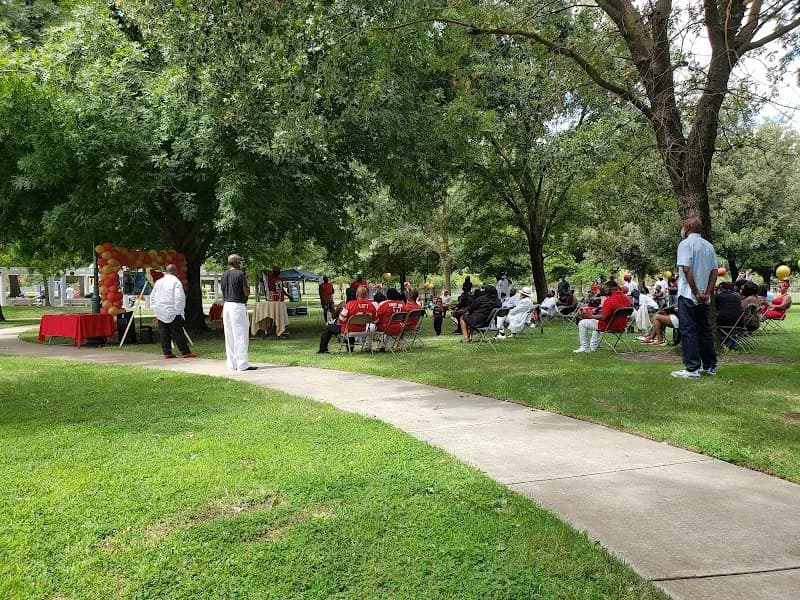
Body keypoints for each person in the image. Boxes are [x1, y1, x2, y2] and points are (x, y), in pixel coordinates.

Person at [671, 217, 718, 378]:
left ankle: (692, 368)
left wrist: (696, 292)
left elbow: (686, 269)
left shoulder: (685, 245)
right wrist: (706, 293)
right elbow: (714, 272)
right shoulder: (709, 246)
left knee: (688, 330)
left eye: (683, 226)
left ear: (689, 227)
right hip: (705, 295)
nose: (682, 229)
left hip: (688, 294)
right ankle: (710, 365)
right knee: (704, 330)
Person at [150, 264, 197, 359]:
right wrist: (179, 310)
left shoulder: (159, 282)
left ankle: (167, 352)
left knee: (164, 332)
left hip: (160, 310)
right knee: (178, 332)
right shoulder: (176, 282)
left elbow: (152, 296)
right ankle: (185, 351)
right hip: (173, 310)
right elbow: (179, 297)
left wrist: (156, 308)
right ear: (175, 271)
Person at [574, 279, 631, 353]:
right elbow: (630, 311)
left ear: (612, 289)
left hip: (610, 325)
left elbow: (604, 317)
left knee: (582, 323)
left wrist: (591, 316)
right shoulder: (626, 298)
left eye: (606, 288)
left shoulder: (609, 300)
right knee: (596, 324)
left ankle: (585, 347)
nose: (604, 291)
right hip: (622, 326)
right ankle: (593, 347)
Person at [221, 254, 256, 371]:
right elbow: (246, 292)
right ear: (236, 262)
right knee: (241, 334)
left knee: (229, 335)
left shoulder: (224, 274)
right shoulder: (240, 274)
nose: (241, 263)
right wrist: (247, 280)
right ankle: (242, 363)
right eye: (240, 261)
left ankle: (232, 363)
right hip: (237, 305)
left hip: (227, 305)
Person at [318, 285, 377, 353]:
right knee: (349, 326)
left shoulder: (350, 304)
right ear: (366, 295)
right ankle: (350, 349)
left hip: (348, 329)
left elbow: (341, 319)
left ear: (356, 294)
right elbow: (375, 320)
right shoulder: (371, 305)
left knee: (328, 328)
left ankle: (323, 349)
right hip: (362, 329)